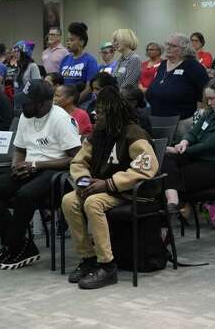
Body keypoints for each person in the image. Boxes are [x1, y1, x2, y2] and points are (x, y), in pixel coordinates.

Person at [62, 86, 160, 289]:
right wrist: (82, 182)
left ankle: (106, 265)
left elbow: (146, 168)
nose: (95, 115)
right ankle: (88, 258)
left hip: (130, 191)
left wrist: (107, 184)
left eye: (101, 112)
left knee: (93, 203)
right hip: (101, 187)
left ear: (113, 113)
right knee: (69, 200)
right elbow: (79, 163)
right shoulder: (98, 133)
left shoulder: (134, 134)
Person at [0, 81, 81, 270]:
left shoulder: (60, 119)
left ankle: (11, 246)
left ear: (42, 104)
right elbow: (19, 148)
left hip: (57, 174)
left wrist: (35, 164)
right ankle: (20, 246)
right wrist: (16, 165)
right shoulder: (27, 116)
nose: (21, 106)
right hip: (30, 168)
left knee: (24, 195)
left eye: (27, 103)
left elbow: (75, 158)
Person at [163, 78, 215, 236]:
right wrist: (184, 142)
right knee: (165, 159)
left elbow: (209, 146)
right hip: (200, 160)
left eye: (212, 98)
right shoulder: (211, 114)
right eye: (207, 98)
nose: (209, 102)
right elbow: (193, 132)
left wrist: (181, 151)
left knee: (167, 178)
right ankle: (173, 201)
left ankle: (167, 218)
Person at [145, 33, 210, 140]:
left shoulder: (192, 66)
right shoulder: (163, 64)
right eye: (167, 44)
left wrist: (197, 118)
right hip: (157, 121)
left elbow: (205, 93)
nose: (168, 48)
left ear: (184, 49)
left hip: (182, 124)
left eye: (173, 46)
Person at [59, 22, 99, 103]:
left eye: (72, 40)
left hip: (82, 103)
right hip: (64, 102)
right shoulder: (64, 60)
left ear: (81, 42)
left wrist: (73, 102)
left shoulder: (90, 61)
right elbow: (59, 83)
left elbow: (89, 88)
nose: (68, 43)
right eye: (67, 40)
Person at [9, 40, 42, 109]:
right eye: (14, 52)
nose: (15, 54)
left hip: (29, 102)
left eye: (18, 51)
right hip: (18, 101)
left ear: (25, 53)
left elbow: (37, 86)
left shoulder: (32, 66)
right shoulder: (18, 67)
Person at [110, 29, 142, 93]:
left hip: (127, 100)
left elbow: (127, 86)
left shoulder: (134, 59)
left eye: (117, 40)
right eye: (114, 41)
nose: (115, 43)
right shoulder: (119, 60)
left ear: (126, 40)